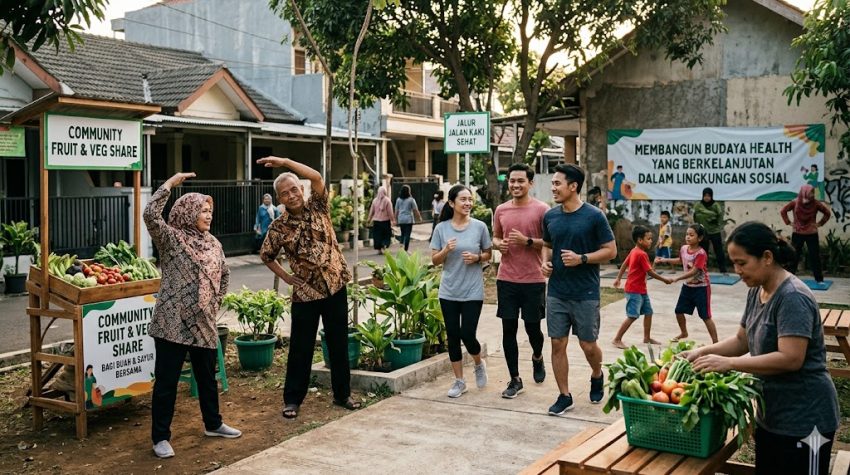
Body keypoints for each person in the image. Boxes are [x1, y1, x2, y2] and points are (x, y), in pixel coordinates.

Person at [681, 221, 839, 474]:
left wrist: (730, 364)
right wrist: (702, 352)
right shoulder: (757, 290)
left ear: (767, 257)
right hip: (772, 415)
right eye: (734, 263)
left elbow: (790, 358)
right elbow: (742, 341)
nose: (737, 270)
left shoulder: (792, 297)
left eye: (742, 263)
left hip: (806, 419)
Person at [144, 172, 241, 459]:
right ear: (188, 212)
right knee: (167, 382)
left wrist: (214, 303)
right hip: (172, 322)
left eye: (210, 210)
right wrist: (171, 184)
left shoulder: (213, 243)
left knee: (206, 377)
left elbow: (224, 274)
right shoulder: (171, 238)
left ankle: (213, 423)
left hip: (203, 322)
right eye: (202, 210)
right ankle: (160, 437)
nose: (208, 215)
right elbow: (150, 215)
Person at [256, 156, 361, 419]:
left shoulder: (318, 206)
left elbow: (315, 177)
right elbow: (266, 255)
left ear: (300, 190)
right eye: (284, 193)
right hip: (305, 294)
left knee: (338, 343)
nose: (291, 195)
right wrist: (287, 277)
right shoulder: (278, 227)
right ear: (279, 200)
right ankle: (292, 400)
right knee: (301, 348)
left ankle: (342, 394)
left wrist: (284, 162)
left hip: (335, 286)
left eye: (294, 189)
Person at [541, 164, 616, 415]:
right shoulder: (550, 216)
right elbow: (547, 245)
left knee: (588, 345)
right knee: (557, 343)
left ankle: (597, 373)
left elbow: (610, 251)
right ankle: (564, 395)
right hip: (557, 292)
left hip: (585, 292)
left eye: (557, 183)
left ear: (573, 186)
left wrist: (582, 258)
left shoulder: (594, 216)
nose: (553, 188)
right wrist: (545, 262)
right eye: (552, 183)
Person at [492, 163, 550, 399]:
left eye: (520, 181)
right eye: (512, 181)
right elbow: (495, 236)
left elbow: (549, 242)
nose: (515, 185)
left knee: (533, 328)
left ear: (530, 183)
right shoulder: (501, 210)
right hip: (506, 278)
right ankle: (515, 379)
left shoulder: (542, 210)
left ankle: (537, 356)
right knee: (508, 329)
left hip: (533, 279)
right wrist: (499, 244)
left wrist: (527, 241)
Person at [431, 184, 492, 398]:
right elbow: (434, 260)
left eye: (470, 199)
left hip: (472, 291)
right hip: (448, 291)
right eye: (463, 199)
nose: (468, 203)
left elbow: (488, 254)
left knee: (467, 334)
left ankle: (478, 362)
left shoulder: (480, 227)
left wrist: (477, 258)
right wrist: (446, 250)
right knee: (453, 336)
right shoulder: (441, 229)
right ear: (451, 203)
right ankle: (459, 381)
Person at [655, 223, 719, 343]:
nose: (688, 237)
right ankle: (684, 333)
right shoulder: (684, 248)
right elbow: (680, 260)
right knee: (679, 311)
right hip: (687, 287)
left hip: (701, 288)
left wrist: (677, 278)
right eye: (687, 234)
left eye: (691, 235)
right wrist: (665, 260)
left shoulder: (701, 253)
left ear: (699, 238)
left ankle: (715, 342)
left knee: (705, 316)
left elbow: (695, 270)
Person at [611, 225, 672, 349]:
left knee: (648, 312)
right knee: (632, 316)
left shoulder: (634, 251)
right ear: (640, 240)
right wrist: (664, 279)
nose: (651, 241)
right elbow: (650, 272)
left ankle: (646, 337)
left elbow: (624, 264)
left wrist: (618, 278)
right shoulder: (641, 254)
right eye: (648, 239)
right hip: (634, 290)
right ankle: (617, 339)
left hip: (641, 290)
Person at [780, 184, 831, 283]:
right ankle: (788, 278)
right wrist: (789, 223)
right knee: (794, 255)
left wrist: (820, 224)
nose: (812, 195)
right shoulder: (795, 203)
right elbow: (783, 211)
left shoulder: (815, 204)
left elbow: (827, 213)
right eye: (811, 192)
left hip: (811, 233)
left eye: (813, 192)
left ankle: (819, 279)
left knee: (815, 256)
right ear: (804, 192)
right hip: (798, 233)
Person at [693, 187, 728, 274]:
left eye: (708, 196)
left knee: (719, 251)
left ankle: (723, 270)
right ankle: (703, 269)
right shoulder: (698, 205)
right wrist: (711, 214)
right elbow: (695, 215)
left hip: (715, 231)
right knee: (703, 252)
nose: (707, 197)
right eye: (705, 196)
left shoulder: (716, 205)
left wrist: (716, 220)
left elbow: (719, 216)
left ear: (711, 196)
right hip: (703, 232)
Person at [367, 186, 395, 254]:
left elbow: (371, 211)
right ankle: (384, 245)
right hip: (385, 221)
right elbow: (390, 212)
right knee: (386, 235)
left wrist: (369, 219)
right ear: (385, 192)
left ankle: (379, 250)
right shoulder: (387, 200)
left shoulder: (375, 200)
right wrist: (392, 220)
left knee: (377, 236)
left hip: (376, 222)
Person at [395, 185, 422, 252]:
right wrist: (419, 217)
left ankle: (401, 245)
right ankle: (406, 249)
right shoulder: (411, 200)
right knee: (407, 234)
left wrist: (395, 218)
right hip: (408, 219)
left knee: (402, 233)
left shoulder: (398, 200)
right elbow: (415, 209)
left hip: (401, 219)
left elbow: (396, 210)